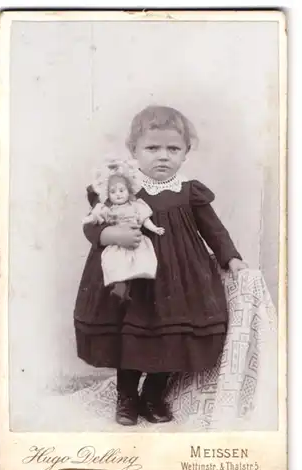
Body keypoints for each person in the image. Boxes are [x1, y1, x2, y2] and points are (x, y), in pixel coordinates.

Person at [74, 105, 247, 426]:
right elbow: (92, 224)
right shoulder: (120, 188)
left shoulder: (188, 191)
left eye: (173, 149)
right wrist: (110, 232)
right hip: (131, 277)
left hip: (180, 279)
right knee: (131, 335)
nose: (163, 156)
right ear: (133, 151)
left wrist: (231, 257)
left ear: (185, 154)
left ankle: (153, 394)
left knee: (173, 338)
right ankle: (126, 398)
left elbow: (214, 229)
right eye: (152, 148)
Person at [82, 160, 165, 301]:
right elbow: (96, 220)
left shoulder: (136, 205)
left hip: (137, 241)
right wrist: (90, 219)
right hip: (118, 243)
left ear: (129, 191)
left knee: (142, 260)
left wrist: (155, 228)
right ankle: (119, 287)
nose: (118, 195)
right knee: (115, 263)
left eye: (122, 190)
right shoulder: (109, 209)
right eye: (113, 192)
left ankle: (140, 285)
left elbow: (144, 219)